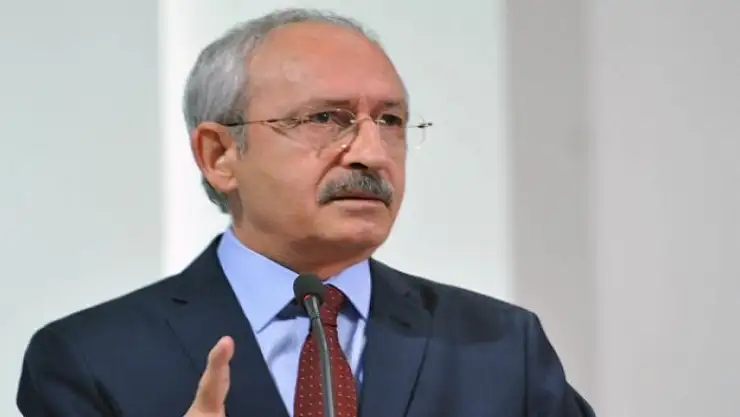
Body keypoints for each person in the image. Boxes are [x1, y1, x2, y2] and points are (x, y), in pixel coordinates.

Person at [16, 8, 595, 417]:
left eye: (390, 121)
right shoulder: (90, 358)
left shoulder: (500, 345)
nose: (371, 152)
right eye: (325, 119)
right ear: (219, 156)